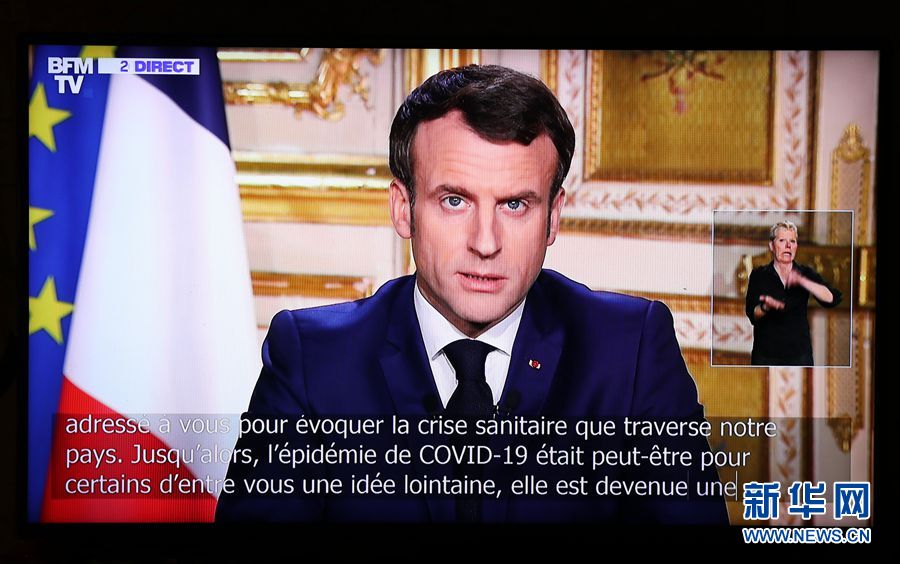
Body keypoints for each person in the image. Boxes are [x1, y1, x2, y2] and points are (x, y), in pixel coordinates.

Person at [216, 65, 727, 524]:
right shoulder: (313, 358)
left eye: (515, 205)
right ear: (403, 208)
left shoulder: (630, 350)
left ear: (553, 217)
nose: (486, 243)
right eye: (455, 201)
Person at [745, 221, 843, 366]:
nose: (788, 246)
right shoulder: (759, 275)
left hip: (799, 356)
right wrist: (766, 307)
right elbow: (752, 314)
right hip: (766, 355)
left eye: (792, 241)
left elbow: (831, 298)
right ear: (772, 246)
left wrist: (802, 281)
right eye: (782, 241)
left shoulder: (805, 273)